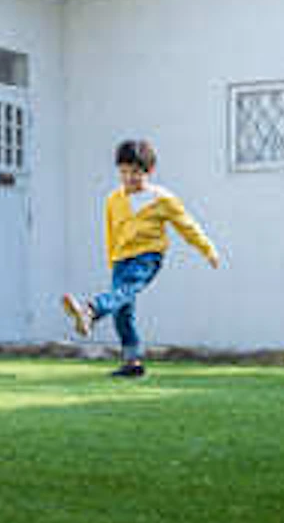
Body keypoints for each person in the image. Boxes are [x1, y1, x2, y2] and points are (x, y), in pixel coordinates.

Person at [60, 138, 220, 378]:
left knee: (124, 291)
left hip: (148, 257)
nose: (129, 178)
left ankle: (91, 311)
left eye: (135, 172)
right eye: (124, 172)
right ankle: (132, 363)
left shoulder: (162, 199)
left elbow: (187, 226)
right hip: (121, 259)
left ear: (149, 171)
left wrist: (208, 250)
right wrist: (112, 260)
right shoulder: (113, 199)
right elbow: (110, 231)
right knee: (123, 313)